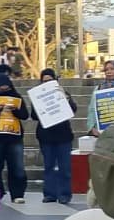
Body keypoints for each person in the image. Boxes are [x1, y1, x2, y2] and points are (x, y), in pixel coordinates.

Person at [30, 69, 78, 204]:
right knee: (49, 166)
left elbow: (73, 109)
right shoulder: (38, 95)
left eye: (50, 80)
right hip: (46, 136)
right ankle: (49, 194)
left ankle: (65, 194)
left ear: (55, 80)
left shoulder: (63, 92)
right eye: (44, 81)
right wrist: (40, 107)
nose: (47, 83)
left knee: (65, 167)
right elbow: (33, 116)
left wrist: (65, 98)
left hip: (63, 136)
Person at [0, 72, 31, 204]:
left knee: (17, 168)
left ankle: (17, 194)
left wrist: (15, 110)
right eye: (1, 87)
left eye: (6, 86)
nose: (4, 89)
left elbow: (25, 115)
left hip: (14, 139)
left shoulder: (17, 97)